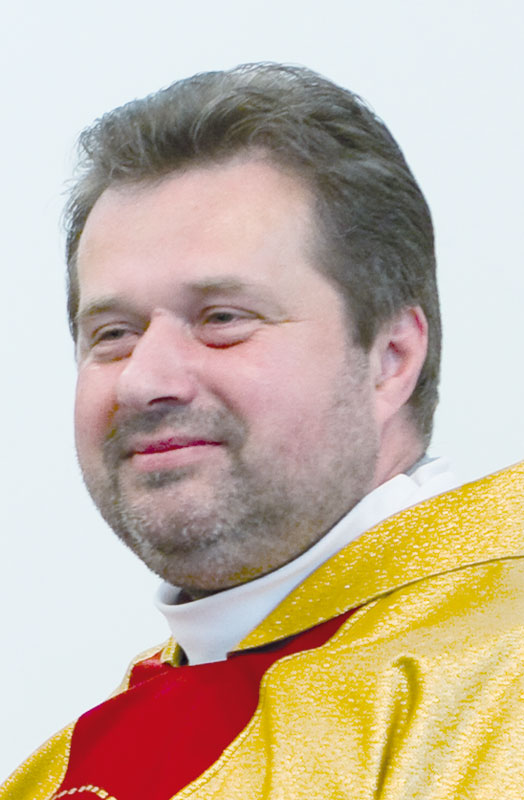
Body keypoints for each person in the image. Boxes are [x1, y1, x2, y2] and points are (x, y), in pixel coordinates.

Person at [2, 63, 523, 800]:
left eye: (222, 318)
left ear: (391, 357)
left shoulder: (496, 675)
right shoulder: (61, 766)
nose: (145, 379)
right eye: (112, 333)